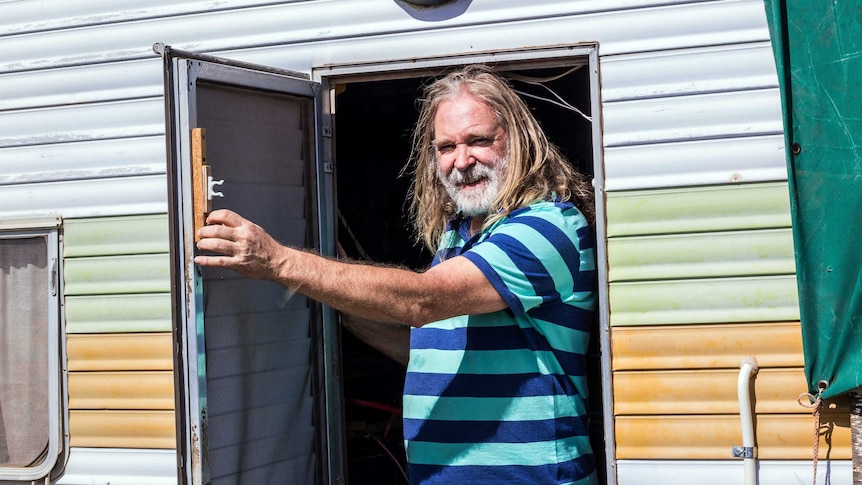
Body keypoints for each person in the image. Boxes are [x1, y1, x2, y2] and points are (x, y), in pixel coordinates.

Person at [195, 65, 599, 484]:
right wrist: (342, 301)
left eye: (479, 140)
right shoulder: (459, 235)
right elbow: (430, 349)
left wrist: (280, 261)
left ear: (519, 139)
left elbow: (425, 301)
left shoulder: (547, 225)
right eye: (446, 147)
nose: (462, 161)